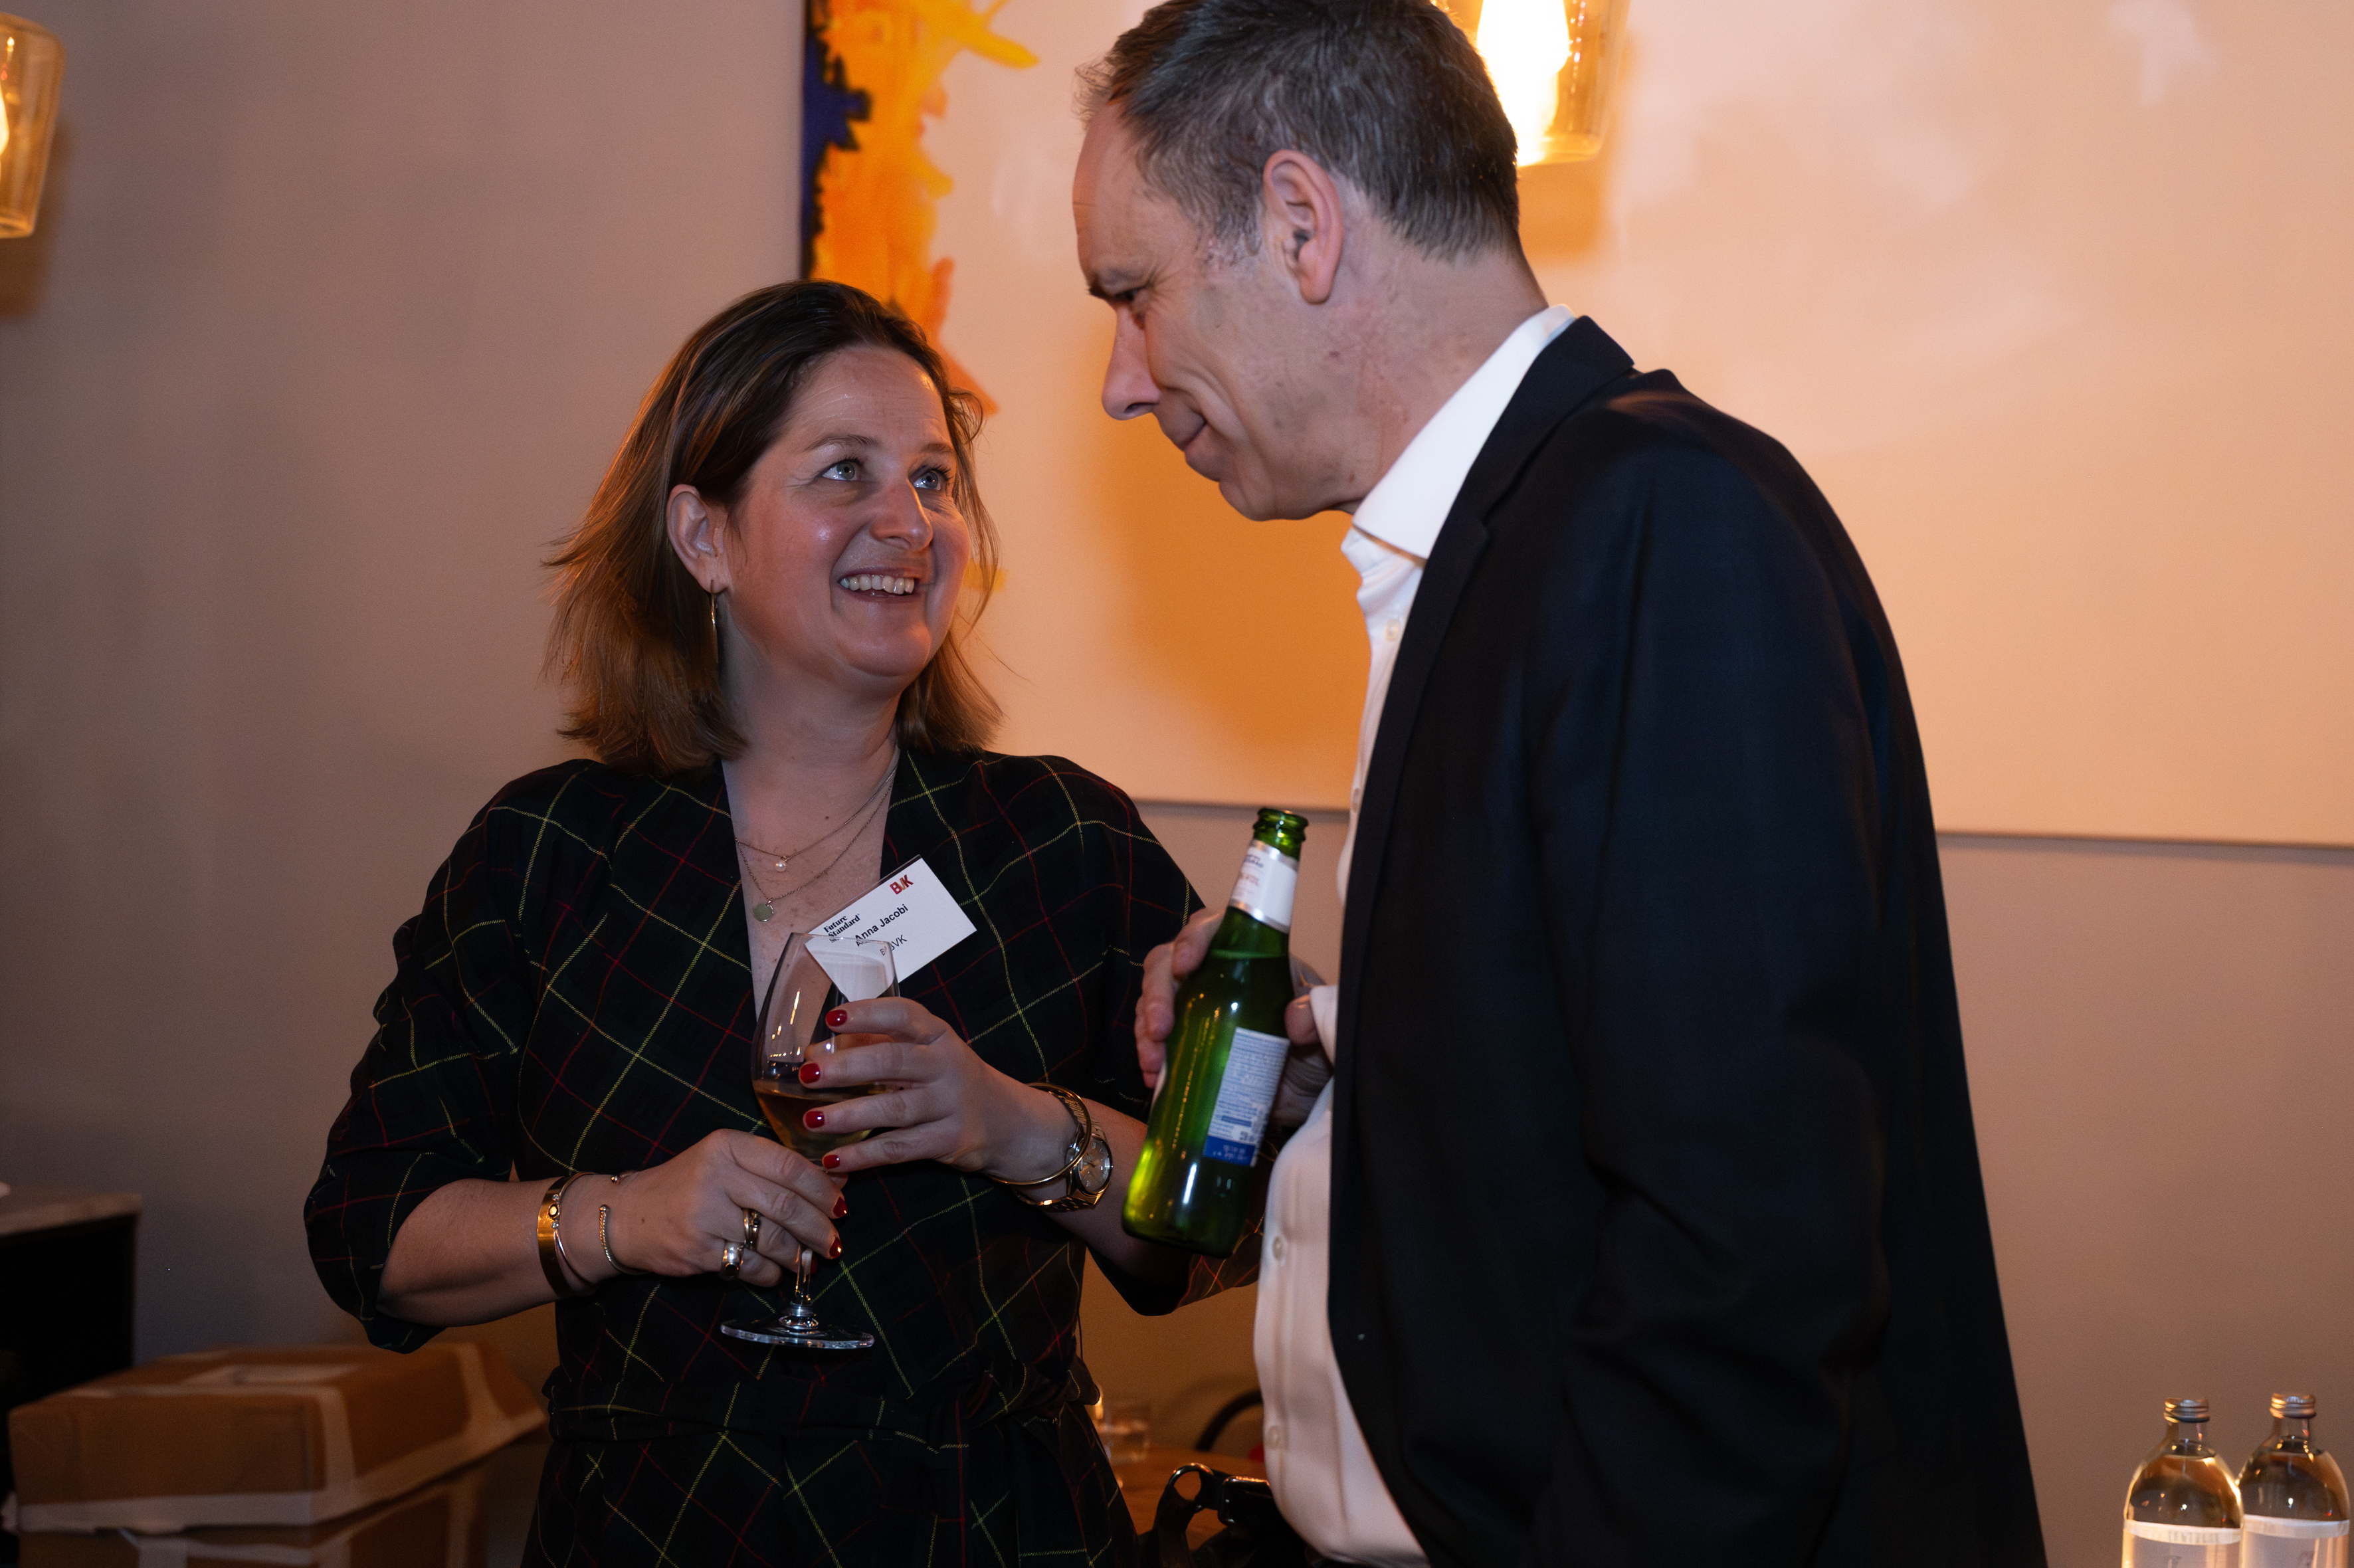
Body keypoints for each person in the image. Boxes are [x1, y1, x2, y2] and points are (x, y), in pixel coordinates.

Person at [1075, 3, 2046, 1564]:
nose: (1119, 382)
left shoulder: (1657, 526)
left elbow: (1741, 1258)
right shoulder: (1511, 541)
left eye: (1132, 296)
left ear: (1302, 223)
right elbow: (1603, 1076)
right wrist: (1349, 1061)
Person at [305, 279, 1240, 1567]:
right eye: (844, 471)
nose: (907, 520)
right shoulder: (551, 856)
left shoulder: (1059, 845)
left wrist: (1010, 1125)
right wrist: (626, 1218)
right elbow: (371, 1232)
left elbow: (1223, 1224)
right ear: (703, 535)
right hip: (652, 1531)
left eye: (931, 479)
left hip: (987, 1529)